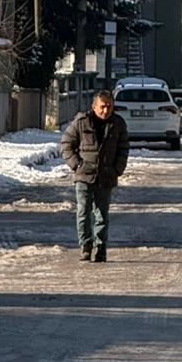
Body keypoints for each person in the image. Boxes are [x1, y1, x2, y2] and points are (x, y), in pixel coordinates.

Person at [61, 89, 129, 263]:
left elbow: (123, 149)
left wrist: (117, 169)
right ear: (94, 106)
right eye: (102, 107)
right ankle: (85, 246)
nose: (105, 111)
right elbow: (66, 144)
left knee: (101, 214)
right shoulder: (81, 122)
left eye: (109, 107)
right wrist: (77, 165)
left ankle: (101, 248)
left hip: (106, 175)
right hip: (84, 175)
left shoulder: (118, 124)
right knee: (83, 212)